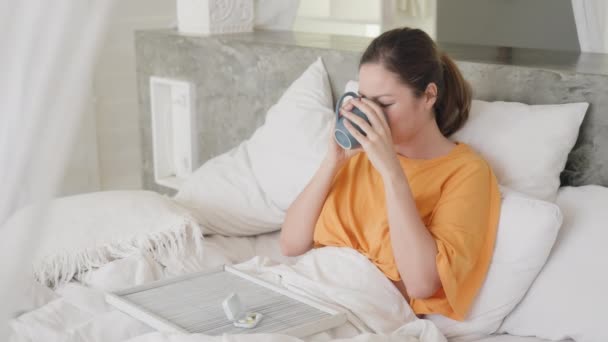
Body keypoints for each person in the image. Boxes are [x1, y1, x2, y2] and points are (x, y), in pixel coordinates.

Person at [279, 27, 501, 321]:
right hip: (300, 289)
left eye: (384, 103)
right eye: (363, 100)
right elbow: (290, 244)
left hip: (360, 312)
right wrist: (332, 162)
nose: (371, 114)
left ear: (428, 96)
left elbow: (422, 284)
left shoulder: (466, 172)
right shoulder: (358, 156)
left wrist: (392, 171)